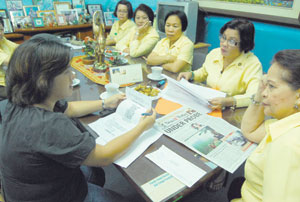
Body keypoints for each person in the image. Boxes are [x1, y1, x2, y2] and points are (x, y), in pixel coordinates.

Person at [0, 33, 156, 202]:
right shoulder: (48, 125)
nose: (73, 76)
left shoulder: (22, 100)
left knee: (93, 173)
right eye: (67, 71)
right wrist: (141, 126)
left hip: (26, 186)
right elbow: (104, 156)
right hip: (48, 195)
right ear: (44, 80)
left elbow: (70, 108)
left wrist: (105, 103)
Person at [228, 49, 300, 202]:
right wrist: (260, 92)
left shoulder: (288, 145)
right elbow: (250, 130)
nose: (265, 92)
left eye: (272, 86)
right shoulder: (288, 121)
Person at [178, 18, 263, 109]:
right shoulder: (215, 53)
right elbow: (204, 72)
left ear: (244, 43)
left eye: (231, 41)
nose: (224, 44)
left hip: (233, 112)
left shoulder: (253, 64)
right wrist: (191, 74)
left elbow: (254, 96)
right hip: (209, 104)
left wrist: (229, 101)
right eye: (223, 38)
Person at [0, 17, 18, 97]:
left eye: (1, 30)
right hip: (2, 84)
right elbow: (8, 61)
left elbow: (22, 49)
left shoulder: (3, 40)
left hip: (12, 81)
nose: (0, 33)